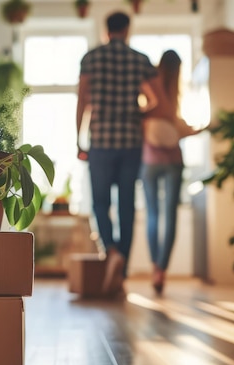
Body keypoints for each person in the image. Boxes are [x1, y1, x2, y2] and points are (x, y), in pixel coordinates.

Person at [76, 11, 158, 297]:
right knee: (126, 206)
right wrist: (137, 111)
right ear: (127, 29)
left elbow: (82, 102)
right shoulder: (140, 60)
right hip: (130, 143)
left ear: (106, 29)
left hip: (100, 143)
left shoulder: (91, 59)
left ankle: (110, 250)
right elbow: (155, 99)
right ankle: (120, 272)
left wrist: (78, 140)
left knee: (100, 203)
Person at [140, 49, 199, 296]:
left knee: (153, 215)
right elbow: (176, 126)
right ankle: (162, 270)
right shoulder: (173, 94)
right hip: (174, 159)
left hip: (150, 159)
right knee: (170, 216)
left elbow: (142, 117)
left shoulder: (149, 86)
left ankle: (155, 267)